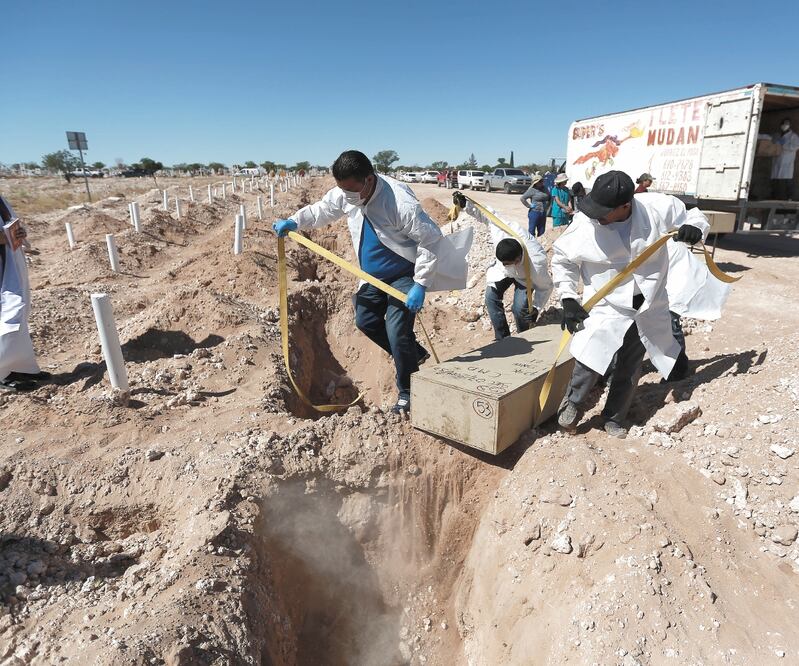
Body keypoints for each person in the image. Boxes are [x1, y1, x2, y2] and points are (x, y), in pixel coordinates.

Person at [272, 150, 471, 414]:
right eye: (343, 190)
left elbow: (431, 239)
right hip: (372, 276)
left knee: (397, 329)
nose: (348, 197)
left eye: (352, 190)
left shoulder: (398, 202)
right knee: (365, 320)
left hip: (403, 274)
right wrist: (295, 221)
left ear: (368, 179)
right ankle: (412, 353)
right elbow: (323, 209)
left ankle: (408, 392)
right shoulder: (348, 194)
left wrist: (420, 284)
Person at [552, 171, 709, 438]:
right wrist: (568, 297)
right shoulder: (585, 223)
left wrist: (696, 228)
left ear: (626, 205)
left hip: (646, 301)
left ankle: (614, 417)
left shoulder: (656, 207)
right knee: (590, 356)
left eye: (603, 211)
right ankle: (572, 405)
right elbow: (563, 259)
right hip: (607, 302)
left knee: (631, 363)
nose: (596, 216)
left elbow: (694, 214)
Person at [482, 215, 553, 340]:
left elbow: (545, 287)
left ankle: (524, 337)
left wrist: (536, 308)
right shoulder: (501, 232)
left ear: (517, 259)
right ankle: (503, 338)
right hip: (503, 273)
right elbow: (488, 214)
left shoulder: (536, 263)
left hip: (525, 279)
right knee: (490, 297)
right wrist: (466, 205)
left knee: (520, 309)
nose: (505, 264)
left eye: (507, 263)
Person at [1, 195, 45, 392]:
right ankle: (2, 373)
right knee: (7, 315)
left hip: (11, 260)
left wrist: (19, 233)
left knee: (19, 311)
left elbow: (10, 223)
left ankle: (20, 366)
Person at [770, 118, 799, 200]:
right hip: (777, 161)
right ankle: (774, 198)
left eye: (786, 124)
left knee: (787, 181)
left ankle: (790, 198)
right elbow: (770, 140)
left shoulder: (793, 136)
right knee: (775, 182)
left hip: (787, 162)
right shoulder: (778, 135)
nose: (784, 126)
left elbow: (796, 146)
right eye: (783, 124)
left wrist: (783, 145)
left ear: (789, 125)